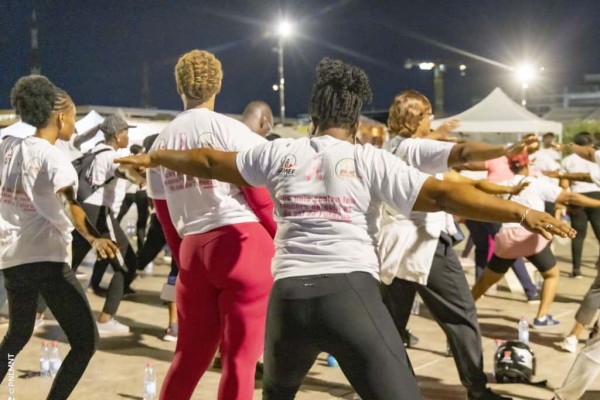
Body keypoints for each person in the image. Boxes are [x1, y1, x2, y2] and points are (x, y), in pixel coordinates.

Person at [116, 57, 574, 400]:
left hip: (287, 306)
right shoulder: (367, 159)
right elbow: (441, 194)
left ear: (313, 114)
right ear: (355, 120)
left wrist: (157, 155)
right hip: (348, 296)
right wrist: (518, 212)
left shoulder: (279, 153)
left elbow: (210, 162)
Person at [379, 89, 533, 400]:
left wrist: (441, 134)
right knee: (462, 316)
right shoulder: (417, 148)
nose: (432, 119)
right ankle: (477, 390)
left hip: (393, 248)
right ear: (416, 118)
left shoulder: (390, 147)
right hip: (427, 245)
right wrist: (503, 149)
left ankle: (386, 389)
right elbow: (462, 152)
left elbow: (455, 163)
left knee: (390, 326)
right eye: (428, 115)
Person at [141, 49, 277, 400]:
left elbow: (166, 219)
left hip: (192, 251)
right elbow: (261, 200)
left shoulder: (160, 144)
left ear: (179, 88)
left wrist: (185, 260)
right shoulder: (233, 132)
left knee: (187, 359)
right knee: (239, 364)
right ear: (217, 85)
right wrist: (279, 241)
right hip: (241, 244)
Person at [0, 75, 118, 399]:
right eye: (74, 118)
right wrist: (94, 237)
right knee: (86, 342)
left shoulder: (7, 147)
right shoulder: (53, 158)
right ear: (61, 117)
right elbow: (68, 202)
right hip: (46, 260)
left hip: (12, 260)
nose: (76, 127)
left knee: (18, 335)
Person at [471, 152, 600, 326]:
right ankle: (541, 317)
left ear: (510, 167)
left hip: (507, 238)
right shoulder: (535, 183)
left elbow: (479, 192)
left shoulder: (503, 186)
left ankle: (465, 309)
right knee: (551, 275)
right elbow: (570, 197)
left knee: (486, 280)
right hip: (532, 237)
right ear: (527, 165)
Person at [70, 114, 145, 335]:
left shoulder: (93, 152)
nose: (128, 137)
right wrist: (140, 179)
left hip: (81, 210)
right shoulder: (111, 156)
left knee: (68, 266)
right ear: (118, 135)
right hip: (99, 214)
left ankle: (35, 314)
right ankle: (106, 319)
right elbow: (122, 170)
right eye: (126, 133)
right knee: (127, 264)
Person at [561, 132, 600, 278]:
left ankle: (576, 269)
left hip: (577, 197)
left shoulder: (568, 160)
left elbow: (564, 184)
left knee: (577, 235)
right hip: (597, 195)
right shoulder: (595, 157)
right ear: (590, 143)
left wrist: (565, 201)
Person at [116, 144, 150, 249]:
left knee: (118, 217)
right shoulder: (142, 159)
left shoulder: (128, 160)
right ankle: (141, 248)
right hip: (141, 192)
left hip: (130, 192)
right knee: (142, 222)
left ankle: (113, 236)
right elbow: (142, 170)